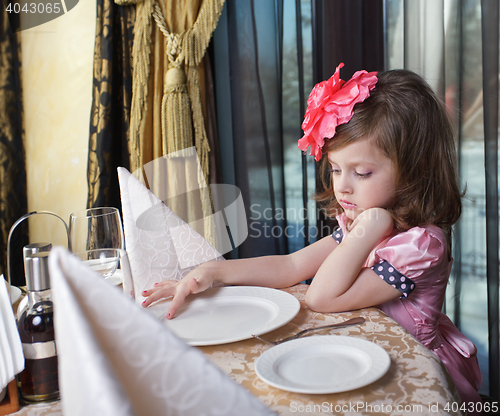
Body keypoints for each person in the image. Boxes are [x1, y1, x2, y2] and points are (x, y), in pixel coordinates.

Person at [142, 63, 482, 410]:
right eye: (335, 169)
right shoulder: (361, 222)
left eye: (362, 172)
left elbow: (322, 297)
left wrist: (373, 226)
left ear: (414, 169)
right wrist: (214, 272)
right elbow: (291, 266)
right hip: (361, 357)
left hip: (409, 371)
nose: (342, 186)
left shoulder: (420, 245)